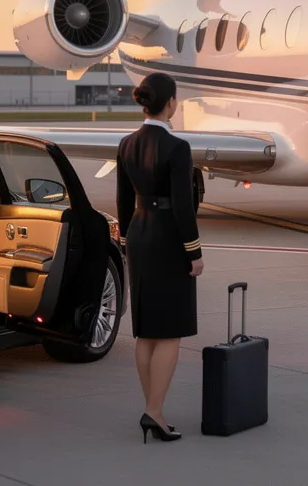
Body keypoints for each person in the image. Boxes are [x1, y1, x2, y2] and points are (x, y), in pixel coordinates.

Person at [115, 71, 203, 443]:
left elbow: (122, 199)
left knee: (147, 329)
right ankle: (154, 412)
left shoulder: (126, 143)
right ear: (170, 103)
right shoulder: (177, 147)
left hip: (138, 234)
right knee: (170, 332)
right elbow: (183, 207)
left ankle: (153, 409)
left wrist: (125, 239)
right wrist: (194, 251)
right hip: (168, 239)